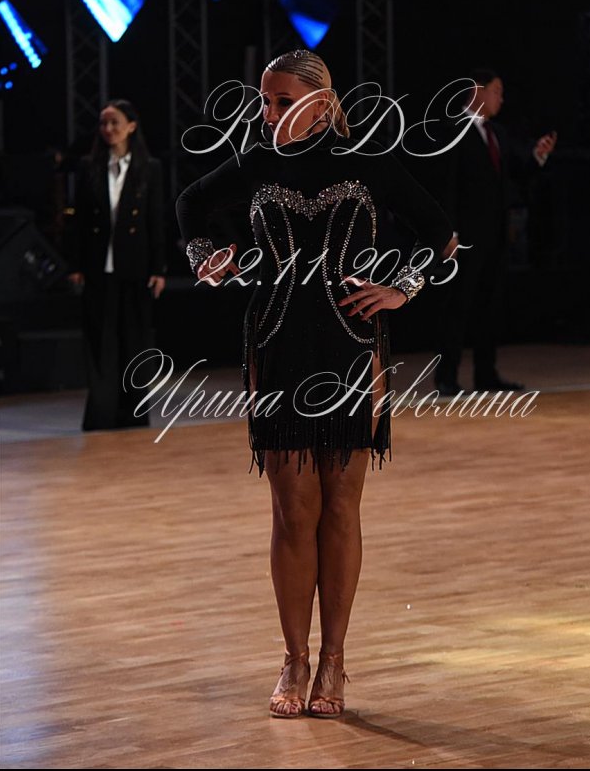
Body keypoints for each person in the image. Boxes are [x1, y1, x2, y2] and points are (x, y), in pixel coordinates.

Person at [175, 49, 454, 718]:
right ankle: (294, 658)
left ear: (321, 105)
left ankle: (334, 658)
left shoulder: (368, 162)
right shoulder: (256, 162)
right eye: (263, 100)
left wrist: (402, 287)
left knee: (341, 506)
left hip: (353, 350)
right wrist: (203, 255)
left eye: (280, 101)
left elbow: (441, 235)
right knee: (291, 510)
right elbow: (190, 203)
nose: (266, 113)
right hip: (275, 348)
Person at [429, 68, 557, 395]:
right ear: (477, 90)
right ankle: (446, 375)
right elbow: (446, 185)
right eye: (497, 91)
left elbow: (516, 171)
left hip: (494, 235)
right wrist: (448, 232)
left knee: (489, 306)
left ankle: (486, 373)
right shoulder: (453, 130)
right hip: (464, 236)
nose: (501, 98)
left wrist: (538, 155)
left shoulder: (497, 132)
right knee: (457, 306)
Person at [65, 99, 166, 429]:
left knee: (134, 339)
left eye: (114, 123)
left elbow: (156, 220)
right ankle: (101, 412)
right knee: (100, 339)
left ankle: (132, 413)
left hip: (135, 266)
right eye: (104, 123)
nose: (108, 129)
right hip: (98, 266)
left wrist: (158, 268)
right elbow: (79, 221)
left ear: (131, 126)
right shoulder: (89, 167)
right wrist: (75, 264)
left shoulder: (149, 168)